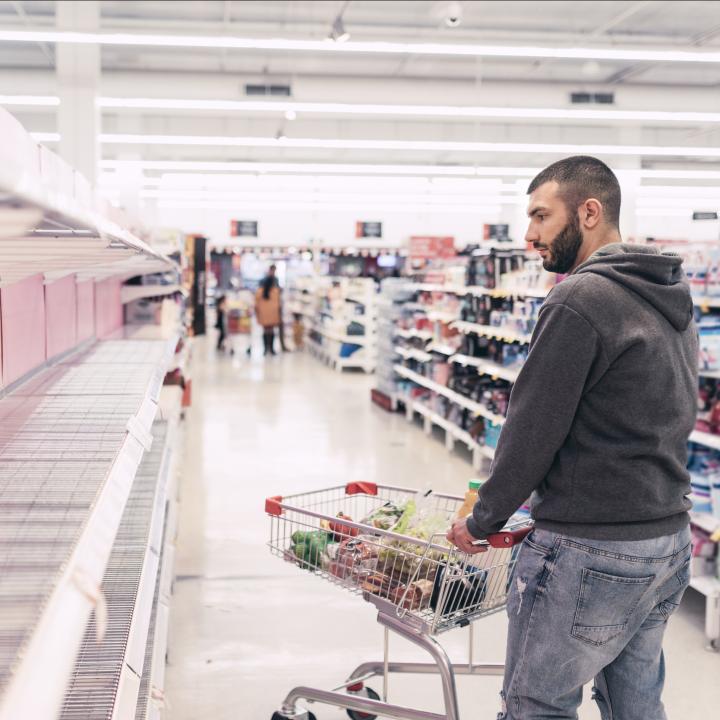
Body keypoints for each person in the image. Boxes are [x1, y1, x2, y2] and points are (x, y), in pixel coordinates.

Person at [447, 156, 697, 720]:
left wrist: (483, 519)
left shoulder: (580, 299)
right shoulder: (669, 295)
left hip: (590, 547)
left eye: (540, 215)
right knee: (634, 705)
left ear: (589, 212)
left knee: (537, 705)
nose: (529, 234)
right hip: (664, 540)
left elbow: (532, 430)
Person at [255, 265, 282, 356]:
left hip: (264, 312)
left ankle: (266, 348)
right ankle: (270, 348)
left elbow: (257, 301)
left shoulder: (261, 291)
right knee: (271, 330)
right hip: (272, 313)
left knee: (266, 330)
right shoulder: (274, 290)